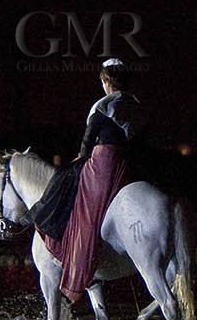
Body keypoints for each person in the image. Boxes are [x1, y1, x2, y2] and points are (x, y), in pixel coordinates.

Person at [51, 58, 146, 303]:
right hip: (126, 162)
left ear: (106, 81)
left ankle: (77, 254)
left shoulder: (102, 105)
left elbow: (88, 140)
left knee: (72, 191)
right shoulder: (135, 104)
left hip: (103, 161)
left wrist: (78, 160)